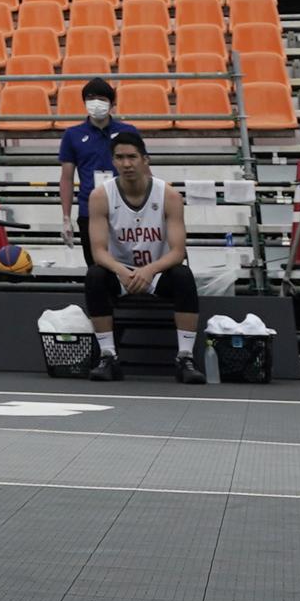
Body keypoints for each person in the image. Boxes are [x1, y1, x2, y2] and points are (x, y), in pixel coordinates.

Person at [84, 133, 205, 384]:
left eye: (132, 157)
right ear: (113, 161)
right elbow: (98, 251)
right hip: (122, 273)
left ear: (145, 160)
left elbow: (177, 251)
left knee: (183, 275)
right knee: (95, 275)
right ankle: (108, 356)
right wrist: (122, 271)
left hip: (157, 272)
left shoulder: (168, 195)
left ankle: (185, 357)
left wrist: (149, 270)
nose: (127, 164)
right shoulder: (101, 196)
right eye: (120, 158)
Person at [57, 78, 143, 264]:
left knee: (130, 264)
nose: (96, 103)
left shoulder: (128, 132)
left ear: (112, 103)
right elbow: (66, 178)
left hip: (126, 208)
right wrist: (66, 217)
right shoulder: (72, 135)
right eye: (90, 98)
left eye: (102, 99)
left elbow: (143, 171)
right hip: (90, 210)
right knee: (97, 267)